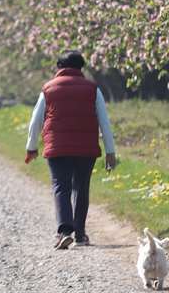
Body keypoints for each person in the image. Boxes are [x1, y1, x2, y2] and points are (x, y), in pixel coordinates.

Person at [24, 51, 117, 249]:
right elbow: (104, 122)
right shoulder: (93, 89)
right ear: (80, 67)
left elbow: (36, 120)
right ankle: (81, 235)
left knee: (61, 186)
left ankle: (65, 232)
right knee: (81, 188)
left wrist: (31, 147)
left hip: (57, 148)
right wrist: (110, 151)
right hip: (86, 149)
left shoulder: (48, 89)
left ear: (59, 67)